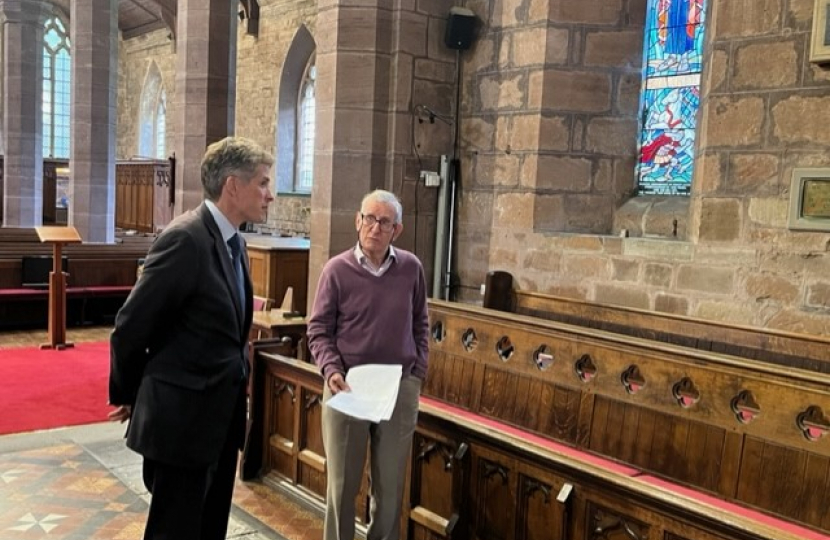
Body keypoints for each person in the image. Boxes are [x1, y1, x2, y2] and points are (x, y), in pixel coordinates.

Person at [108, 136, 275, 540]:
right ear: (232, 185)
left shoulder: (234, 241)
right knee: (176, 531)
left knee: (209, 528)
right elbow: (131, 324)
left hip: (217, 421)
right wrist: (130, 394)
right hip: (182, 423)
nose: (269, 195)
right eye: (263, 183)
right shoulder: (187, 238)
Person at [307, 189, 429, 540]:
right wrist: (331, 370)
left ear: (397, 230)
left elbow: (421, 322)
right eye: (369, 219)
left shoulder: (411, 269)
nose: (375, 227)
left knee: (390, 489)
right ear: (358, 221)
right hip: (347, 387)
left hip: (398, 387)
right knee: (342, 487)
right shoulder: (337, 270)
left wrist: (416, 374)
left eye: (384, 222)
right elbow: (317, 329)